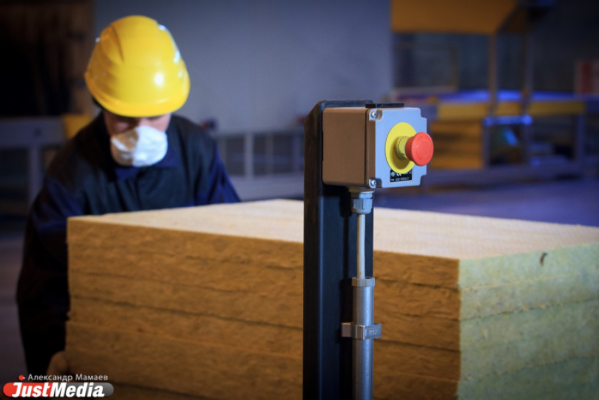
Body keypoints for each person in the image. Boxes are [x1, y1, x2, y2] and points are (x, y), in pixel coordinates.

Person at [16, 15, 240, 375]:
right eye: (124, 117)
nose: (141, 130)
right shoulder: (70, 173)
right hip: (107, 338)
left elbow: (233, 244)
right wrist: (52, 353)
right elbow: (43, 284)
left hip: (190, 330)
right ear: (100, 102)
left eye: (155, 116)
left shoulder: (197, 150)